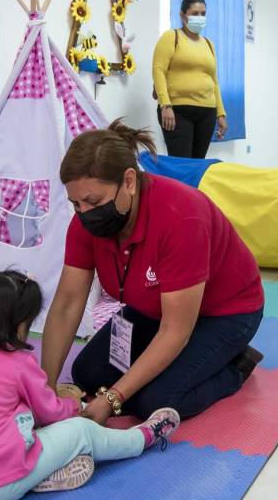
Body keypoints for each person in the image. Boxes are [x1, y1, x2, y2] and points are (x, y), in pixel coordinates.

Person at [40, 120, 265, 425]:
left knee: (153, 402)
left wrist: (111, 399)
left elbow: (175, 330)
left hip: (226, 313)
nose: (84, 213)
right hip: (156, 308)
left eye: (93, 201)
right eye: (75, 204)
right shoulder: (85, 222)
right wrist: (43, 389)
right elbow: (67, 305)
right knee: (87, 373)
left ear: (129, 182)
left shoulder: (181, 217)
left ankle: (235, 365)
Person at [0, 269, 181, 500]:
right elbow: (49, 412)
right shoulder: (17, 361)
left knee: (20, 424)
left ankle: (45, 474)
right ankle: (143, 437)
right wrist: (75, 406)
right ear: (19, 325)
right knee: (81, 432)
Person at [152, 0, 227, 159]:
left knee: (198, 165)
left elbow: (214, 81)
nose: (200, 18)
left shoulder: (208, 44)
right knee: (181, 165)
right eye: (195, 13)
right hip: (178, 112)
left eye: (203, 13)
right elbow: (158, 71)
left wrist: (220, 114)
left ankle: (194, 187)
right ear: (182, 15)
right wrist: (165, 105)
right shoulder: (171, 37)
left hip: (207, 112)